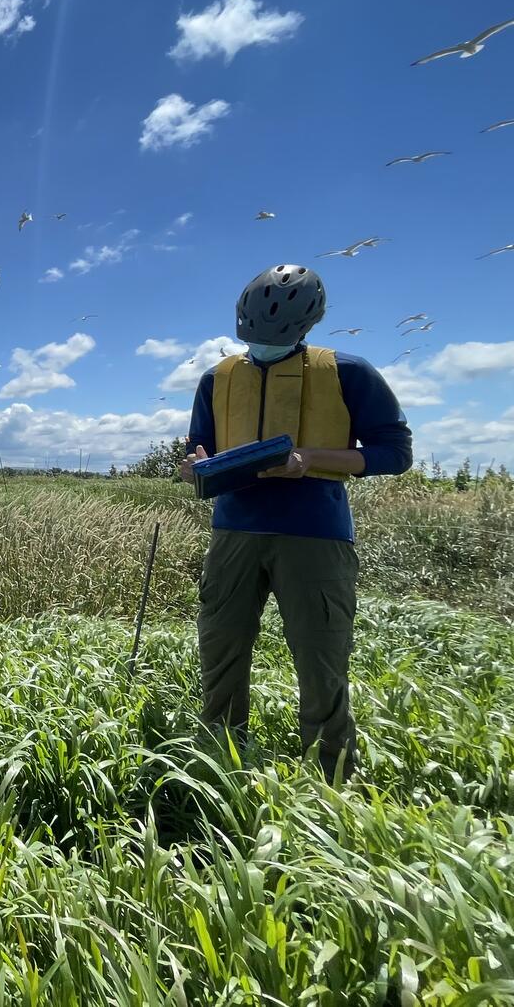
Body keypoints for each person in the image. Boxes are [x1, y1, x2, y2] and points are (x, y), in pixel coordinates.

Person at [178, 263, 412, 782]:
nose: (260, 344)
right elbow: (198, 454)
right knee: (220, 647)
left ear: (305, 327)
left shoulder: (348, 372)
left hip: (316, 534)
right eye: (253, 334)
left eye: (273, 335)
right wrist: (193, 467)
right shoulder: (216, 377)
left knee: (320, 655)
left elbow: (394, 453)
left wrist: (309, 459)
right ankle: (218, 765)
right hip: (234, 529)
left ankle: (332, 782)